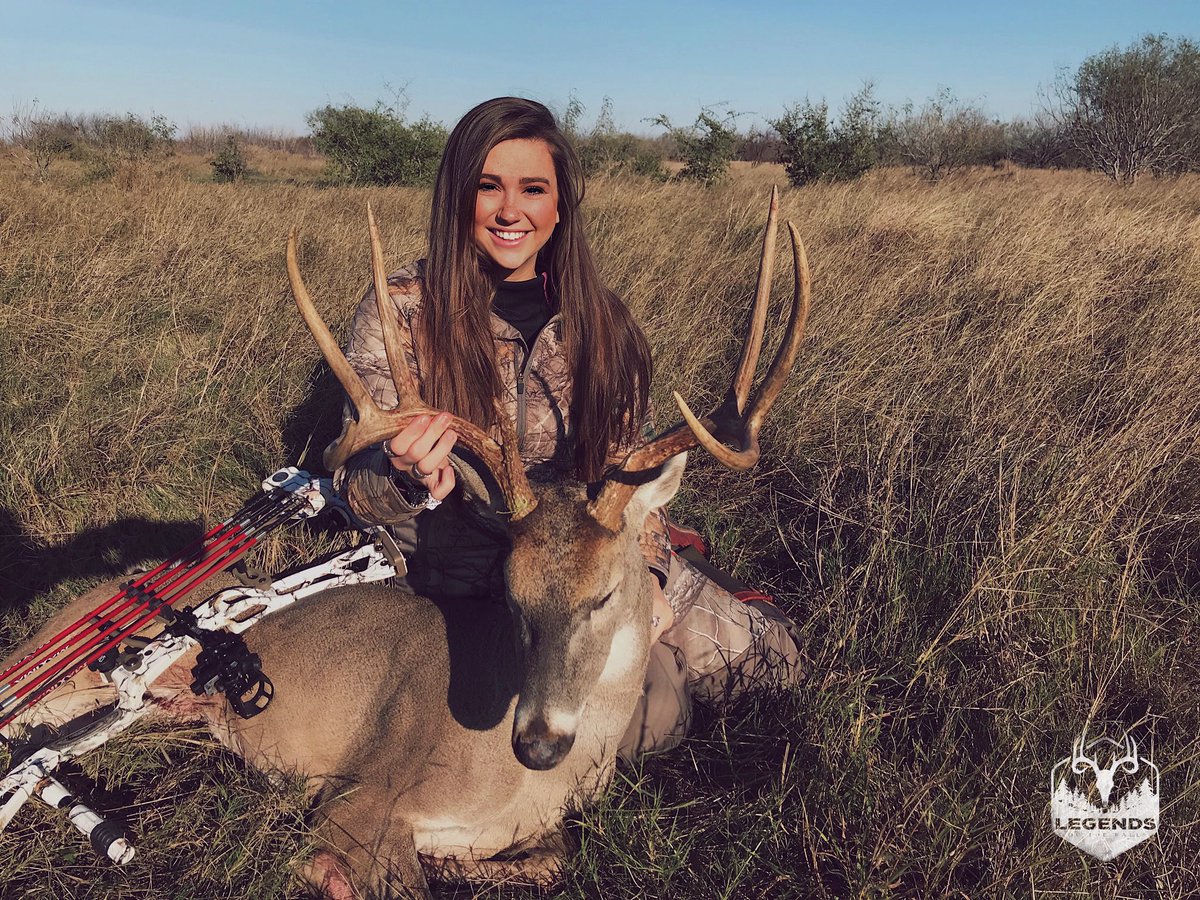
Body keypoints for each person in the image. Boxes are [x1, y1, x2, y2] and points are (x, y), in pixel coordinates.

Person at [334, 97, 801, 759]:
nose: (509, 210)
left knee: (776, 667)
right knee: (649, 721)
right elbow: (356, 487)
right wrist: (402, 476)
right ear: (457, 194)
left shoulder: (602, 322)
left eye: (533, 189)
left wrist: (651, 579)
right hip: (472, 577)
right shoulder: (402, 309)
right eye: (488, 187)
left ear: (560, 204)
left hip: (595, 567)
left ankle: (699, 577)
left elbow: (628, 481)